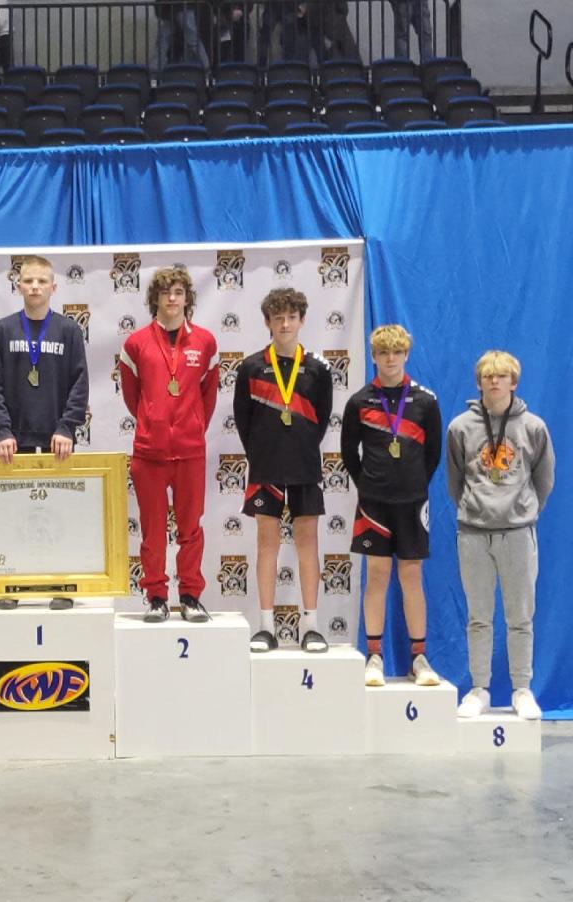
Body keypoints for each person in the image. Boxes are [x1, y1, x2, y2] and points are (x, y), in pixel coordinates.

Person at [446, 350, 554, 720]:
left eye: (502, 376)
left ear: (514, 382)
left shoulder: (534, 427)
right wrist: (475, 509)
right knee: (479, 616)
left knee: (520, 617)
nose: (494, 382)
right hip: (473, 534)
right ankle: (480, 689)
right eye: (488, 376)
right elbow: (454, 480)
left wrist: (522, 512)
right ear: (478, 382)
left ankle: (522, 689)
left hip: (518, 533)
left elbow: (544, 479)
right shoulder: (460, 427)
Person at [0, 255, 89, 610]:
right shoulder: (3, 329)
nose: (34, 287)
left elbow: (79, 384)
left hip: (56, 442)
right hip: (14, 443)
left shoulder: (69, 331)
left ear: (53, 287)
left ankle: (61, 585)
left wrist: (66, 427)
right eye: (28, 281)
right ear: (18, 286)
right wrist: (2, 431)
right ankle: (13, 586)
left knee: (58, 516)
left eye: (41, 281)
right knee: (15, 516)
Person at [340, 325, 442, 687]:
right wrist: (369, 484)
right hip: (374, 503)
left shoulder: (426, 401)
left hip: (413, 502)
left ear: (406, 355)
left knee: (411, 576)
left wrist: (413, 485)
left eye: (397, 353)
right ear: (374, 356)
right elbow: (349, 453)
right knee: (378, 576)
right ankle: (375, 657)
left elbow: (433, 456)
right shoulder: (360, 401)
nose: (390, 359)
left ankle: (419, 658)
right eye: (383, 353)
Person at [233, 287, 332, 653]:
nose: (285, 323)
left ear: (302, 320)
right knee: (267, 545)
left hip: (305, 466)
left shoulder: (319, 369)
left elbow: (321, 422)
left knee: (308, 544)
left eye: (292, 317)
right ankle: (266, 626)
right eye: (278, 318)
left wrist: (299, 447)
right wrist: (262, 453)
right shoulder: (251, 367)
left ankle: (311, 625)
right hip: (265, 466)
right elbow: (243, 422)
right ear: (267, 323)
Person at [119, 267, 218, 623]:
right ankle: (157, 597)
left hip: (190, 451)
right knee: (153, 529)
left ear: (187, 297)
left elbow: (208, 396)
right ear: (155, 299)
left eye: (178, 291)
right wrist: (155, 422)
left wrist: (189, 427)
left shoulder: (205, 342)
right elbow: (133, 398)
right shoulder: (136, 343)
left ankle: (190, 596)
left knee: (191, 528)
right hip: (150, 452)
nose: (172, 298)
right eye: (165, 293)